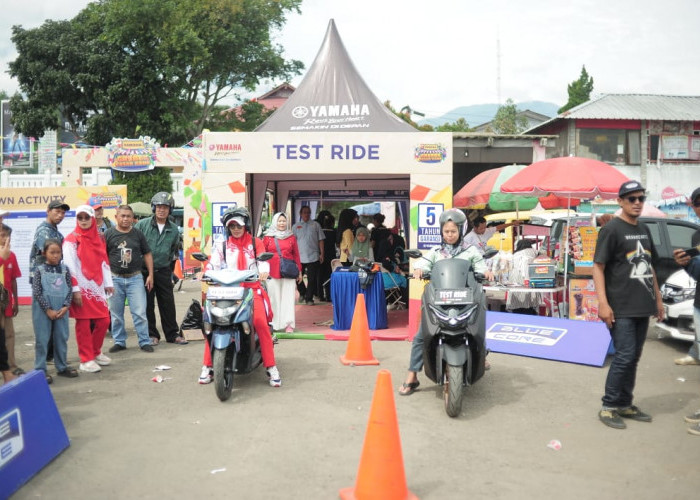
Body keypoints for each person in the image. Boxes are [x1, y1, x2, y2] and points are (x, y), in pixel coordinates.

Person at [399, 209, 493, 396]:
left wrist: (486, 272)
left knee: (477, 329)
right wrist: (419, 270)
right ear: (442, 232)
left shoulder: (471, 250)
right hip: (440, 301)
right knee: (420, 336)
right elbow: (424, 264)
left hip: (465, 301)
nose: (449, 235)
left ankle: (480, 357)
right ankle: (412, 375)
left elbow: (481, 265)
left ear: (460, 230)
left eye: (453, 231)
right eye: (446, 231)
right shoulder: (435, 251)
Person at [593, 180, 664, 429]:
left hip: (642, 305)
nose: (637, 203)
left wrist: (658, 298)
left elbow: (650, 265)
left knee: (633, 357)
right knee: (623, 356)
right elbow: (598, 267)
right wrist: (603, 303)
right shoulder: (611, 229)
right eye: (631, 199)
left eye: (641, 198)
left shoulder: (644, 229)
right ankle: (609, 406)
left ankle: (624, 403)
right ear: (620, 201)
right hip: (620, 306)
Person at [198, 207, 281, 387]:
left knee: (260, 323)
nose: (236, 228)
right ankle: (208, 365)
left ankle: (271, 366)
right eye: (232, 225)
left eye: (239, 225)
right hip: (225, 291)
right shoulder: (221, 245)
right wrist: (205, 272)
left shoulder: (255, 242)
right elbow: (213, 264)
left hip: (250, 290)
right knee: (211, 324)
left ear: (246, 226)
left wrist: (264, 272)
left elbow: (263, 261)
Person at [62, 205, 115, 373]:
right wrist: (75, 289)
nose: (83, 221)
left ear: (93, 218)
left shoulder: (98, 238)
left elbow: (103, 260)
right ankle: (85, 360)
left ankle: (95, 352)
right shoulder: (71, 239)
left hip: (97, 286)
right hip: (81, 288)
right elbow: (69, 267)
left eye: (87, 217)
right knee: (83, 324)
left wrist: (108, 283)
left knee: (104, 320)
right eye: (80, 217)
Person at [135, 192, 187, 345]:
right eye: (158, 206)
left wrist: (170, 272)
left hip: (164, 270)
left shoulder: (174, 229)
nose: (161, 210)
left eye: (165, 207)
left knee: (168, 303)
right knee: (147, 304)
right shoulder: (142, 225)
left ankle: (172, 334)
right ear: (153, 207)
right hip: (144, 272)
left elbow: (173, 250)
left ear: (170, 209)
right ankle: (152, 335)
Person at [105, 205, 155, 353]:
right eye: (123, 216)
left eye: (128, 216)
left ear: (132, 218)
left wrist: (151, 274)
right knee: (116, 314)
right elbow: (103, 256)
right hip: (115, 279)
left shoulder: (138, 234)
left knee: (139, 312)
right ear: (116, 217)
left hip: (135, 278)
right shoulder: (108, 234)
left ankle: (144, 341)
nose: (126, 219)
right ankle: (119, 341)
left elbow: (147, 254)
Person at [32, 239, 79, 383]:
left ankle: (62, 366)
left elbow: (69, 290)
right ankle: (41, 369)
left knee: (61, 337)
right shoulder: (39, 270)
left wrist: (65, 306)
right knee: (42, 339)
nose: (55, 255)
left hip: (61, 310)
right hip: (43, 310)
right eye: (52, 252)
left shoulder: (65, 270)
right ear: (45, 253)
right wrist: (48, 309)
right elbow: (37, 292)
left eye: (58, 252)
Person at [30, 200, 69, 362]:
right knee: (45, 322)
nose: (60, 215)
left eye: (62, 212)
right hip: (44, 282)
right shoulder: (44, 232)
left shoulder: (55, 231)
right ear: (48, 211)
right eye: (56, 211)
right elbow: (50, 258)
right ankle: (44, 360)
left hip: (53, 282)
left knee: (55, 321)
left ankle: (52, 356)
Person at [263, 212, 302, 333]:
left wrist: (299, 271)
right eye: (279, 221)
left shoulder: (291, 237)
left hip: (288, 271)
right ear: (275, 222)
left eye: (284, 221)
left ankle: (288, 324)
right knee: (273, 297)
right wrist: (262, 270)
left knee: (288, 298)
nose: (282, 223)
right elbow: (262, 255)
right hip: (272, 271)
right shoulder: (267, 237)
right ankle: (274, 323)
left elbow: (296, 255)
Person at [0, 224, 23, 376]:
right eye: (2, 235)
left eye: (7, 236)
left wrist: (16, 301)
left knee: (9, 334)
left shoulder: (12, 256)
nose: (5, 239)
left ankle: (11, 365)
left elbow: (13, 280)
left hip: (6, 301)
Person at [292, 205, 325, 306]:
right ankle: (302, 292)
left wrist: (322, 253)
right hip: (299, 257)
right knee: (297, 277)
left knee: (312, 279)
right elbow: (292, 242)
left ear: (310, 214)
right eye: (304, 212)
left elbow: (321, 240)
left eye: (308, 212)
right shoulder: (296, 226)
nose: (306, 214)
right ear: (300, 214)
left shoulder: (316, 225)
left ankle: (309, 298)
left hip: (313, 255)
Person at [506, 239, 541, 315]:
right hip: (528, 279)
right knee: (529, 302)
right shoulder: (534, 251)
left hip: (515, 280)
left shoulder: (515, 254)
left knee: (517, 302)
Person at [317, 211, 336, 302]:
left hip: (320, 256)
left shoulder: (320, 232)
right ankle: (329, 296)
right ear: (332, 223)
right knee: (329, 277)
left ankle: (320, 295)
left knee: (320, 276)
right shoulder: (334, 232)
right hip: (331, 257)